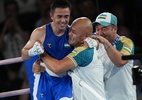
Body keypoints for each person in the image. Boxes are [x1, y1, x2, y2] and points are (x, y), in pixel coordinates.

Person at [32, 17, 106, 100]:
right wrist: (39, 63)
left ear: (85, 37)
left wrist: (41, 52)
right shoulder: (81, 46)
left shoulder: (84, 51)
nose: (69, 33)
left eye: (74, 32)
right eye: (70, 30)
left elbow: (57, 68)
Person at [21, 0, 73, 100]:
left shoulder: (72, 33)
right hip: (44, 78)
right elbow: (24, 55)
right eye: (59, 16)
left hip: (65, 80)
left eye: (66, 16)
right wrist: (32, 52)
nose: (63, 20)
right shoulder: (40, 33)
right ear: (51, 16)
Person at [93, 12, 136, 100]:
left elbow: (120, 61)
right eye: (97, 29)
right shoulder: (95, 43)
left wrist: (104, 42)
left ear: (115, 29)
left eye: (104, 29)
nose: (100, 33)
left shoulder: (125, 42)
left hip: (125, 97)